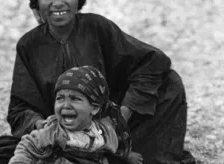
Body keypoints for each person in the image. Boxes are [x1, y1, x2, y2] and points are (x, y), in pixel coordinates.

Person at [0, 0, 196, 164]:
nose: (58, 2)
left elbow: (153, 62)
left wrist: (119, 119)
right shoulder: (29, 45)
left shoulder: (97, 27)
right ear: (37, 3)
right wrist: (46, 127)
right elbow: (20, 109)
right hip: (59, 138)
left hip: (107, 132)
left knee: (169, 83)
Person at [9, 66, 143, 164]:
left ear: (94, 108)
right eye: (60, 98)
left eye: (75, 99)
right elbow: (28, 145)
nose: (65, 105)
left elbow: (117, 144)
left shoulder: (104, 131)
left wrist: (127, 155)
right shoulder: (54, 130)